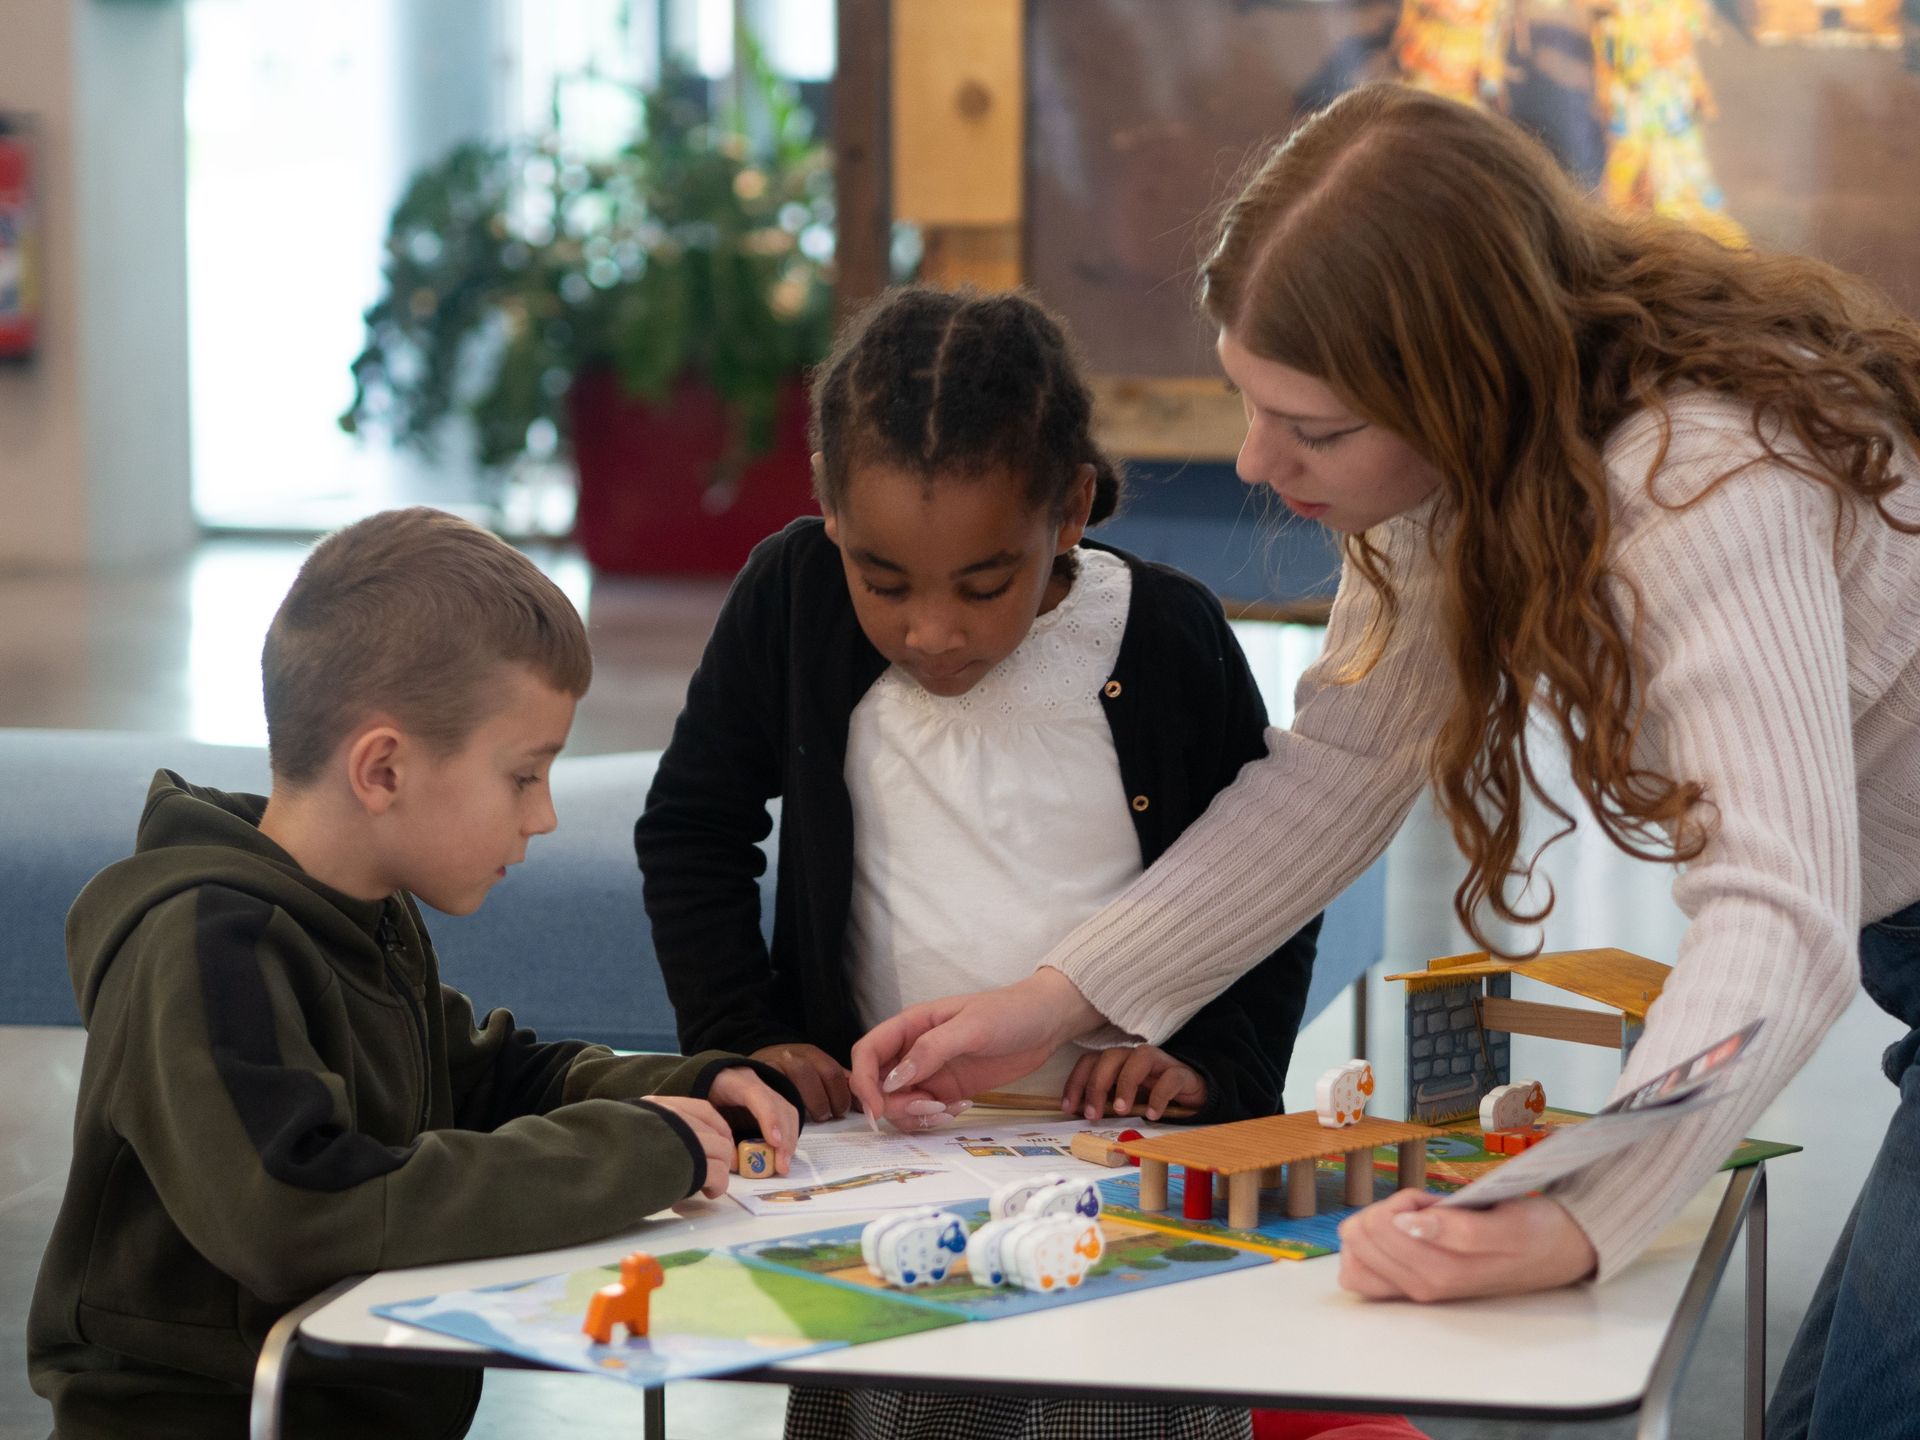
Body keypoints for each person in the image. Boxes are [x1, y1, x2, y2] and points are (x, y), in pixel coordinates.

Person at [848, 84, 1920, 1440]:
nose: (1258, 460)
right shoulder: (1455, 479)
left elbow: (1775, 904)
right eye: (1248, 401)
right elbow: (1339, 772)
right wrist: (1055, 999)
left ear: (1458, 388)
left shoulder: (1700, 487)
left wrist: (1581, 1206)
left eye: (1317, 430)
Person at [635, 285, 1328, 1440]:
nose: (932, 631)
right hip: (888, 1176)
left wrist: (1214, 1063)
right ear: (828, 506)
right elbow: (692, 830)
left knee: (1121, 1413)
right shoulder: (793, 599)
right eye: (884, 581)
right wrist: (744, 1033)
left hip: (1126, 1181)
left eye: (984, 584)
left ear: (1071, 509)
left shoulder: (1167, 636)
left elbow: (1269, 879)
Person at [28, 508, 801, 1440]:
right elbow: (297, 1209)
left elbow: (481, 1079)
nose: (545, 815)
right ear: (384, 770)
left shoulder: (362, 913)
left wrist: (687, 1089)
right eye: (524, 776)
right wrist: (636, 1153)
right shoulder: (204, 947)